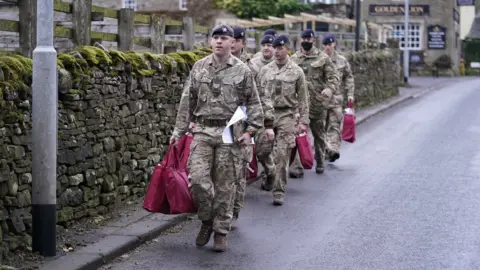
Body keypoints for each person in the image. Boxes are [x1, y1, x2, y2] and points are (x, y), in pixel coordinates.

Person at [170, 24, 264, 252]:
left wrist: (250, 132)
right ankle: (207, 220)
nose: (220, 41)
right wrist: (178, 131)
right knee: (198, 180)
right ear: (210, 42)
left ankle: (221, 231)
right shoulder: (199, 67)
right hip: (202, 129)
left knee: (225, 185)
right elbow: (187, 101)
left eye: (224, 38)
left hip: (230, 130)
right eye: (216, 38)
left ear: (232, 42)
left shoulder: (242, 70)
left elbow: (253, 104)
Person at [257, 35, 309, 205]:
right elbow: (256, 96)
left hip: (287, 115)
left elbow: (303, 98)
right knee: (262, 151)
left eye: (280, 48)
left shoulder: (296, 71)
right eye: (275, 48)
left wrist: (303, 121)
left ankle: (279, 190)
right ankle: (270, 172)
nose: (277, 51)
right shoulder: (265, 71)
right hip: (267, 116)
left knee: (282, 155)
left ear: (287, 49)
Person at [288, 29, 338, 176]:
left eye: (308, 40)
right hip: (299, 105)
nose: (306, 42)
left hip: (317, 104)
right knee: (298, 135)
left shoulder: (323, 58)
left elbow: (333, 77)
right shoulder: (294, 59)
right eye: (303, 39)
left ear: (313, 41)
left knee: (319, 135)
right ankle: (298, 167)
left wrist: (330, 89)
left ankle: (320, 160)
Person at [248, 34, 276, 191]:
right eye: (264, 44)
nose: (266, 47)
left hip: (280, 111)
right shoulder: (254, 64)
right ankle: (271, 171)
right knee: (262, 150)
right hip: (261, 111)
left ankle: (278, 181)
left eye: (270, 45)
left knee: (280, 149)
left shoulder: (281, 64)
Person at [322, 34, 354, 162]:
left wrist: (350, 93)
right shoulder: (319, 60)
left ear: (334, 44)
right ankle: (325, 149)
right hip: (321, 100)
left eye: (330, 45)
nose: (328, 47)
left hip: (336, 100)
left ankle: (333, 150)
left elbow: (349, 77)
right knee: (321, 127)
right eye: (326, 45)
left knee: (334, 126)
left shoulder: (341, 61)